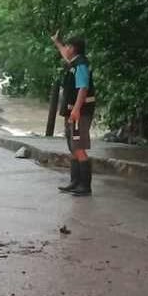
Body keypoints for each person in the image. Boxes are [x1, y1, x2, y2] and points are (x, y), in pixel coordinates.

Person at [51, 31, 97, 196]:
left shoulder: (81, 65)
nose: (66, 49)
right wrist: (57, 42)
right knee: (72, 145)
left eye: (68, 46)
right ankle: (75, 181)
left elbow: (83, 88)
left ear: (74, 49)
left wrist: (76, 110)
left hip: (80, 112)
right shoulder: (74, 62)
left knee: (78, 146)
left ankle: (85, 185)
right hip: (72, 110)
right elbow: (64, 54)